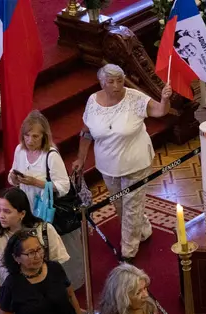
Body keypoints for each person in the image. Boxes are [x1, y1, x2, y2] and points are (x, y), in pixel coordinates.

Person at [74, 64, 172, 262]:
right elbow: (86, 132)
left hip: (136, 163)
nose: (117, 86)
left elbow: (161, 111)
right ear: (102, 82)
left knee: (131, 208)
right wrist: (81, 158)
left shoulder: (135, 98)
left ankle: (128, 252)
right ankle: (143, 229)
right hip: (108, 166)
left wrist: (165, 98)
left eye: (120, 80)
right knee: (120, 205)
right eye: (111, 81)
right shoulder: (93, 101)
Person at [8, 110, 84, 290]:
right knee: (35, 248)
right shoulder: (19, 150)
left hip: (49, 210)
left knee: (59, 247)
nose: (30, 140)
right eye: (27, 136)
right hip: (28, 209)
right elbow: (11, 176)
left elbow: (64, 186)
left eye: (35, 136)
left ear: (44, 136)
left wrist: (36, 182)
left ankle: (71, 283)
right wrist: (15, 178)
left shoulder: (51, 155)